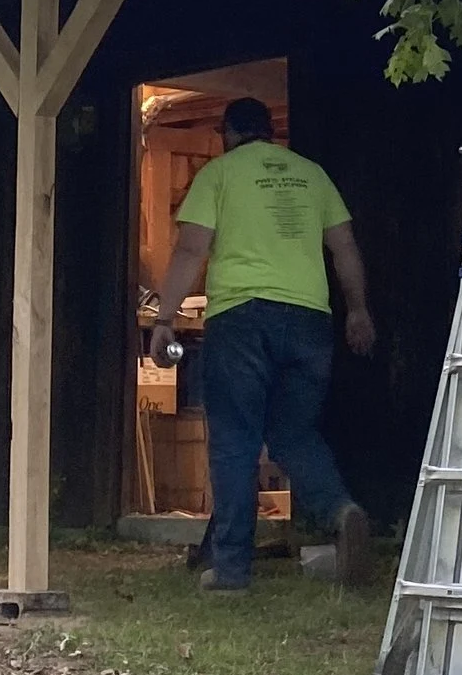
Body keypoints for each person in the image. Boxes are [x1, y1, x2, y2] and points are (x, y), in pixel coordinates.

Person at [150, 97, 376, 594]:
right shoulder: (312, 175)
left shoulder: (220, 175)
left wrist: (165, 318)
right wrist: (357, 310)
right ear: (271, 132)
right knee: (295, 434)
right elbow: (344, 247)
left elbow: (191, 247)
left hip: (242, 318)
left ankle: (231, 569)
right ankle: (342, 510)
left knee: (235, 440)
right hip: (309, 320)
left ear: (226, 134)